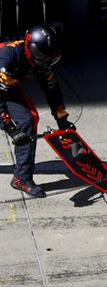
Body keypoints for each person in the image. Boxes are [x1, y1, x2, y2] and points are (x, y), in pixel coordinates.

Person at [0, 26, 70, 199]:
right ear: (30, 51)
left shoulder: (41, 61)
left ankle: (21, 177)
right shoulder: (6, 59)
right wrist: (9, 128)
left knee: (28, 119)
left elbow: (52, 90)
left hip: (6, 87)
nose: (47, 62)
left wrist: (61, 118)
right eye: (45, 58)